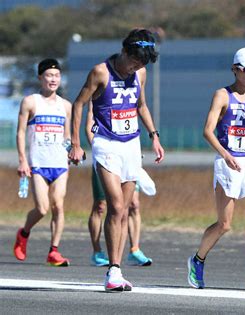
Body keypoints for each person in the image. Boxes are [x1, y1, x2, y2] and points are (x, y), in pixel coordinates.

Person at [68, 29, 164, 292]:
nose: (137, 67)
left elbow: (141, 105)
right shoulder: (101, 72)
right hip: (106, 144)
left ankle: (116, 269)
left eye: (142, 64)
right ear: (125, 51)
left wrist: (154, 135)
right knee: (116, 206)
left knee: (125, 209)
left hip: (132, 144)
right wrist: (75, 144)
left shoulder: (140, 74)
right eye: (135, 62)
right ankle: (112, 271)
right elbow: (78, 104)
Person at [187, 47, 245, 292]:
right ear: (235, 69)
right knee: (224, 224)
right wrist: (225, 155)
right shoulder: (222, 95)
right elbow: (207, 130)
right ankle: (197, 260)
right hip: (228, 161)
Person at [13, 58, 72, 267]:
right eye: (49, 75)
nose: (53, 79)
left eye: (56, 75)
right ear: (40, 77)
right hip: (37, 164)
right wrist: (22, 160)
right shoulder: (30, 101)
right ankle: (24, 233)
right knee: (42, 208)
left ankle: (53, 251)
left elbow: (67, 137)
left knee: (58, 205)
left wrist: (72, 150)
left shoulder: (66, 106)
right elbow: (20, 132)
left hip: (60, 164)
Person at [85, 102, 152, 267]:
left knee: (132, 205)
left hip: (127, 155)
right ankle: (97, 251)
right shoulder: (101, 92)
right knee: (102, 206)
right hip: (106, 157)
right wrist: (101, 152)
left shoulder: (130, 89)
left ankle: (134, 249)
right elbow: (89, 127)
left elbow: (138, 113)